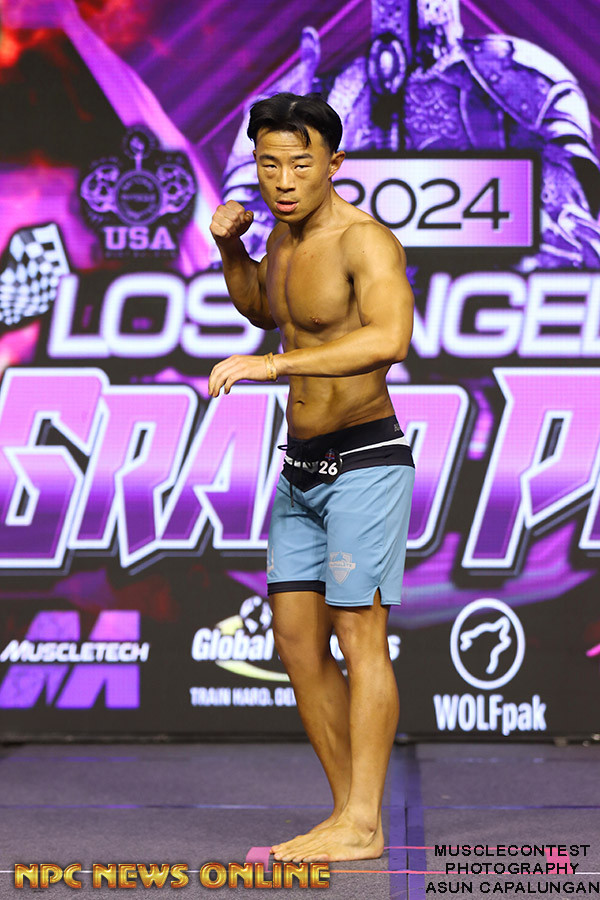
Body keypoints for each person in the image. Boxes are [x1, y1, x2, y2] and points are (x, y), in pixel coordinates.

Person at [208, 91, 415, 863]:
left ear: (334, 163)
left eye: (300, 163)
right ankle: (348, 816)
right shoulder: (282, 237)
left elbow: (390, 338)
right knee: (298, 643)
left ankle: (362, 822)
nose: (284, 180)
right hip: (300, 472)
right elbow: (267, 310)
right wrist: (232, 251)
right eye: (269, 165)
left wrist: (274, 366)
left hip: (364, 460)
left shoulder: (366, 240)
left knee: (361, 637)